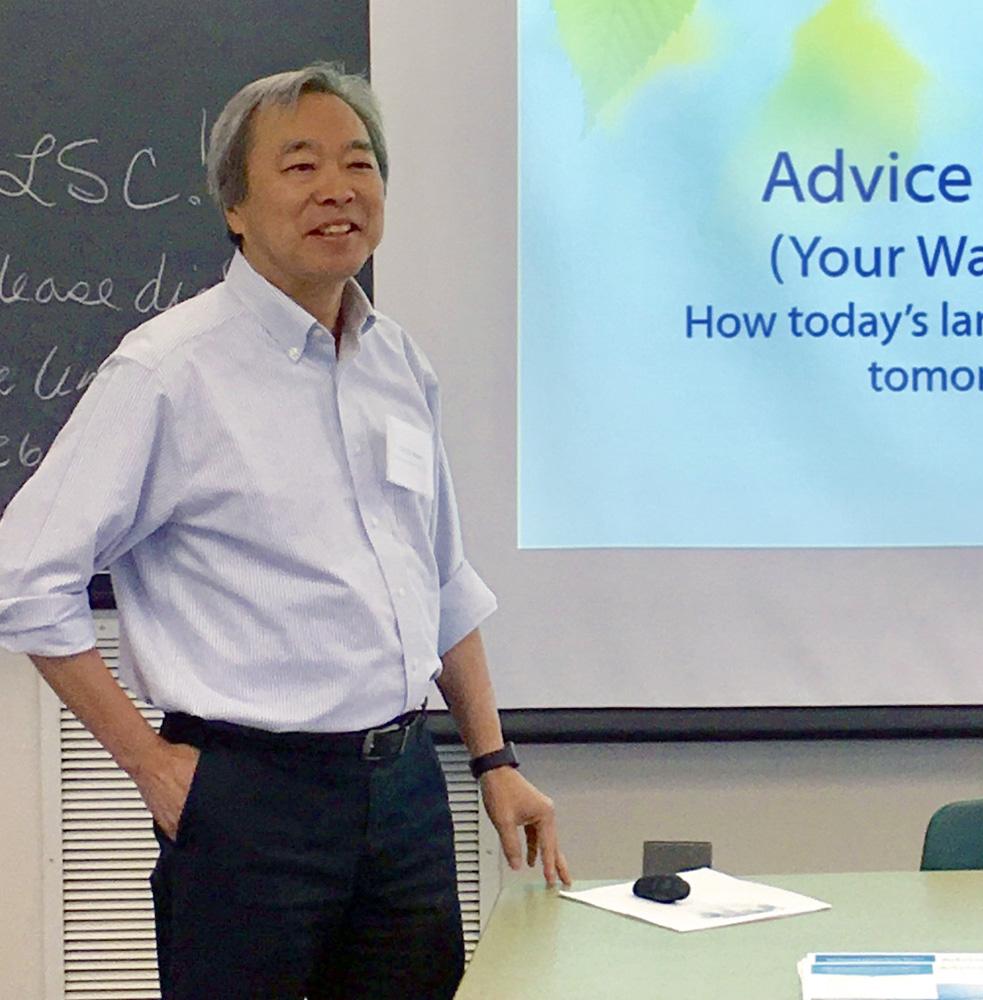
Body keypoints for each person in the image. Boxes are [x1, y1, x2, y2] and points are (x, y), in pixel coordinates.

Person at [0, 64, 569, 999]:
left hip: (404, 792)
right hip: (246, 801)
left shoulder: (396, 362)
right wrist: (149, 765)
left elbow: (441, 577)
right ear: (235, 205)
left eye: (359, 163)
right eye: (300, 166)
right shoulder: (169, 372)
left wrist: (494, 761)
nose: (338, 189)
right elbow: (27, 580)